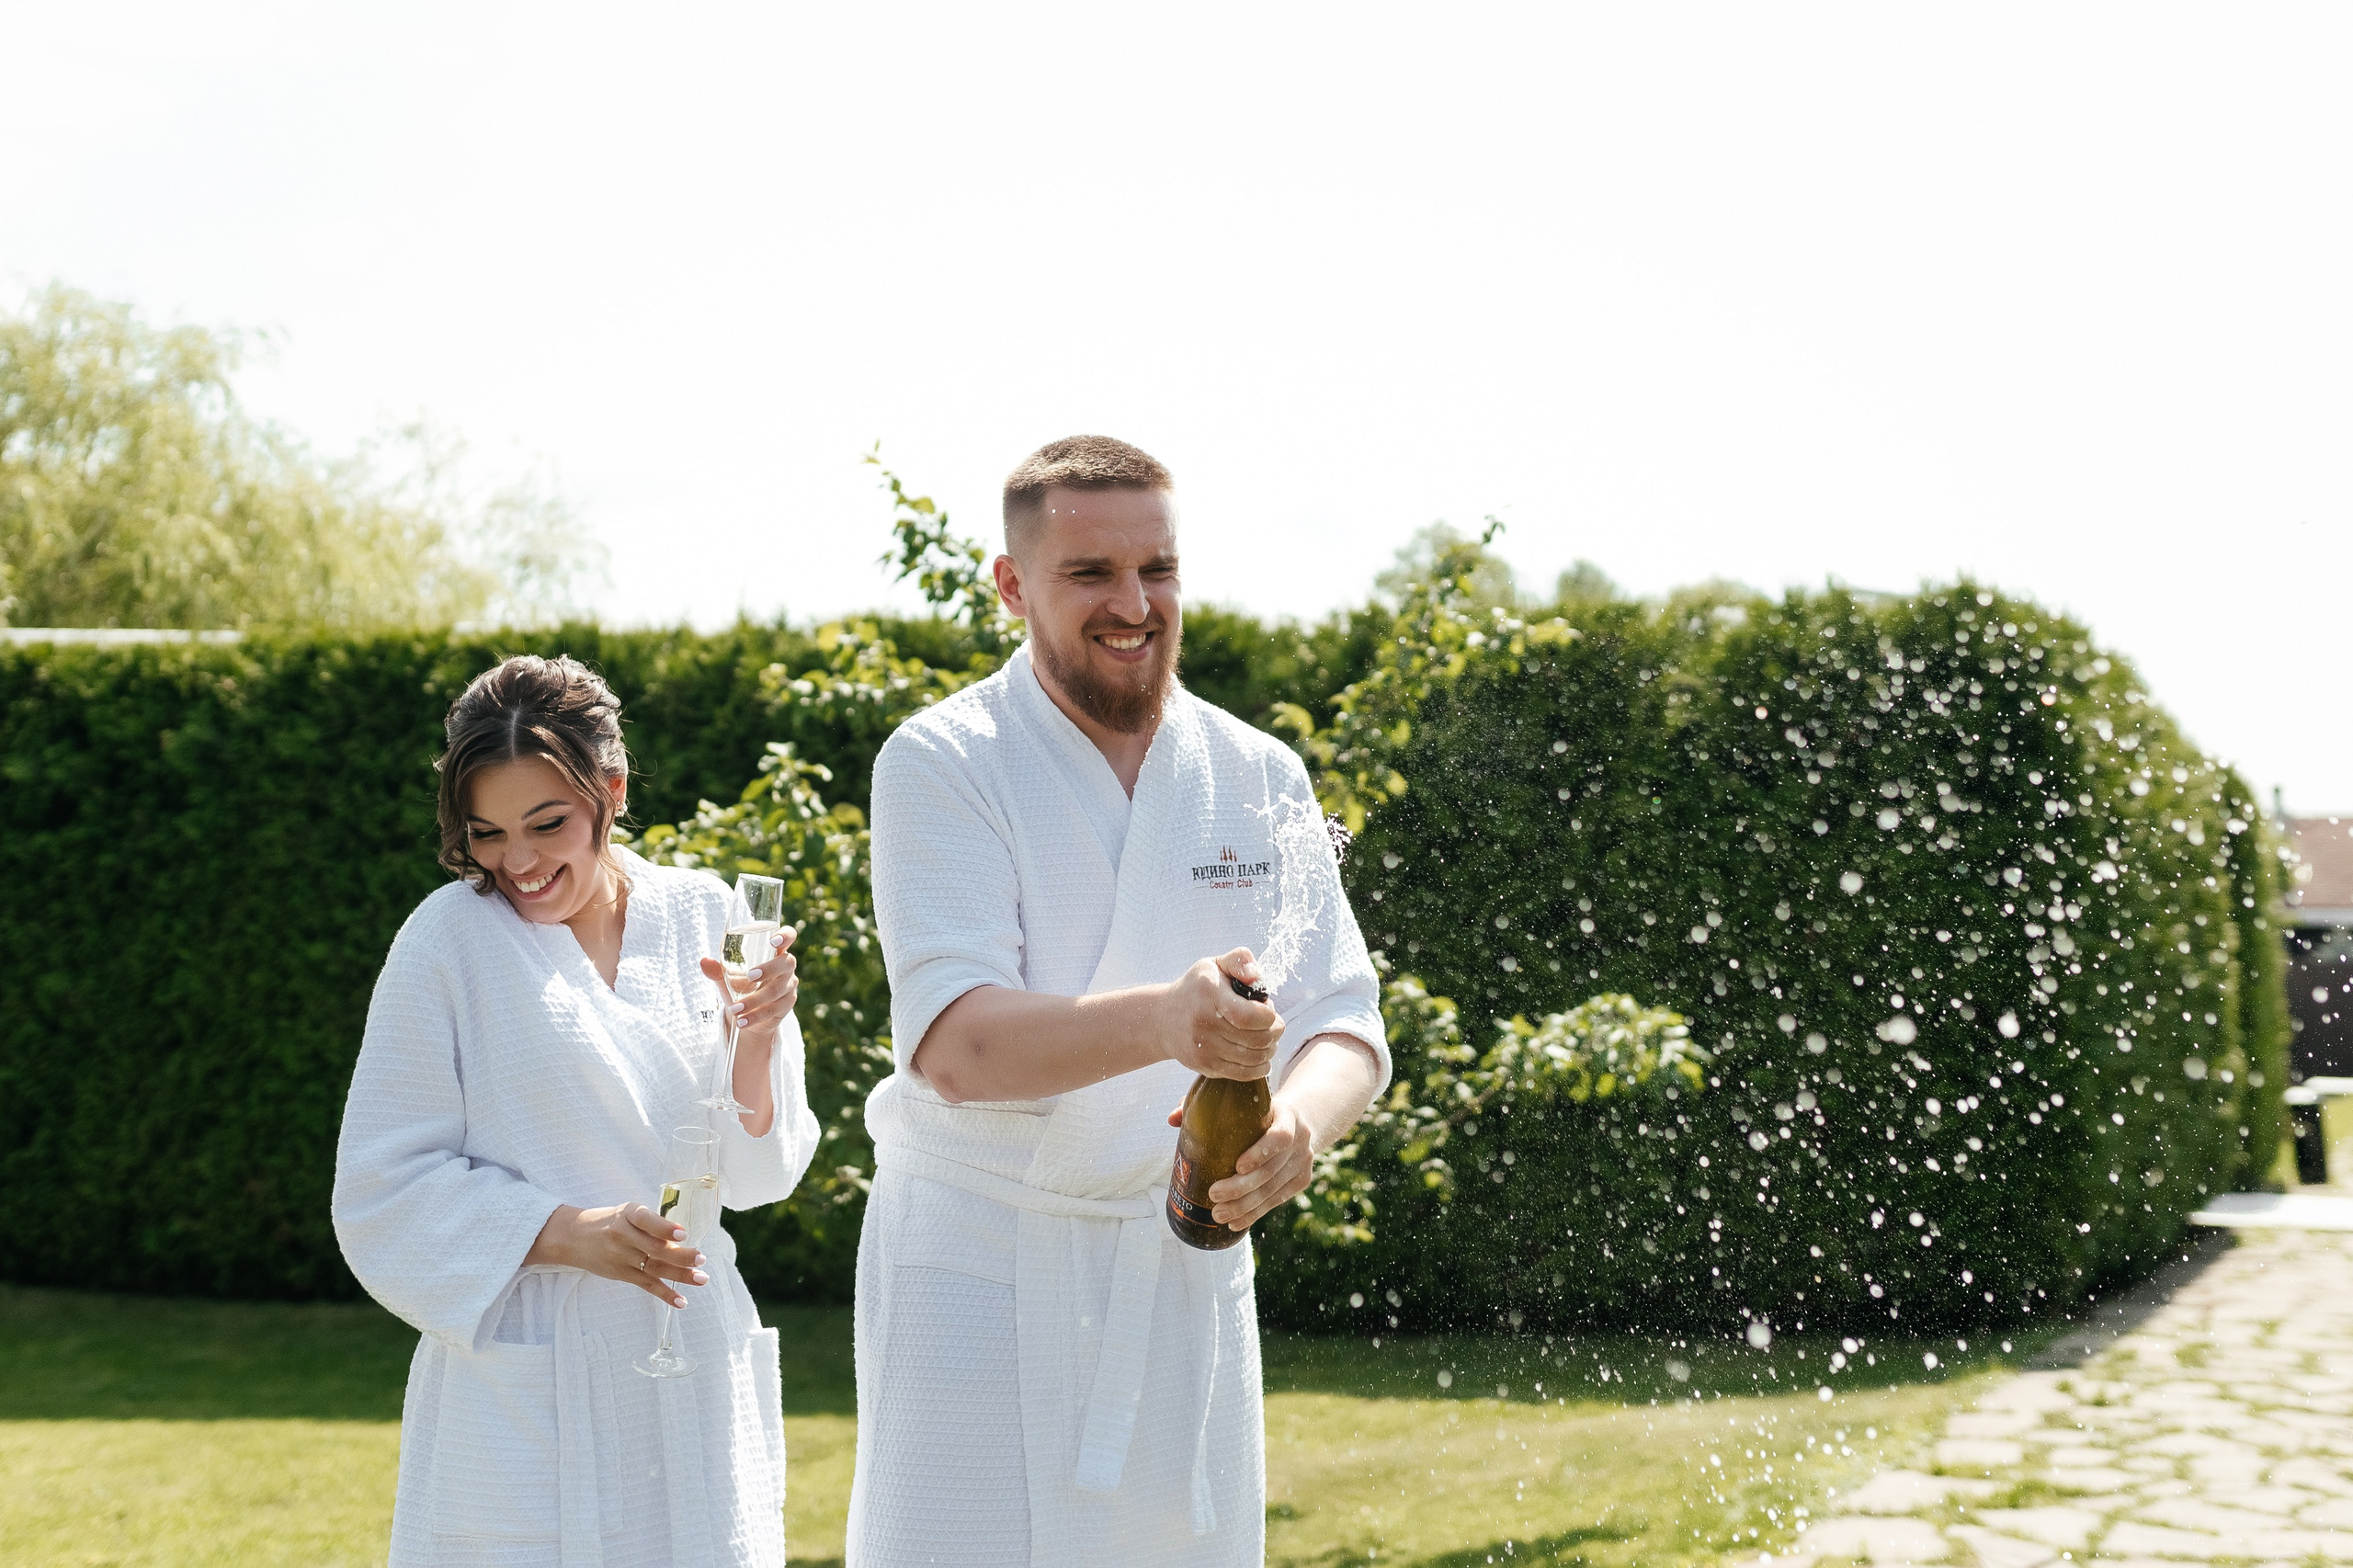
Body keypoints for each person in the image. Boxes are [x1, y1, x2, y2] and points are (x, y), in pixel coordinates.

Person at [847, 436, 1390, 1567]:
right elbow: (955, 1045)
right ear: (1011, 584)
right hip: (981, 1263)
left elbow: (1344, 1015)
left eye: (1159, 568)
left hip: (1176, 1257)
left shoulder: (1258, 773)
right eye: (1090, 572)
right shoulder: (942, 761)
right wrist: (1162, 1021)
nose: (1134, 604)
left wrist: (1296, 1126)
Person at [333, 654, 822, 1567]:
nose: (517, 862)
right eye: (487, 832)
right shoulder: (448, 939)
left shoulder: (702, 912)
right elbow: (379, 1185)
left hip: (686, 1339)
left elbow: (759, 1174)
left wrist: (757, 1038)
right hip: (528, 1352)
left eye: (547, 823)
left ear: (613, 789)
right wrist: (561, 1231)